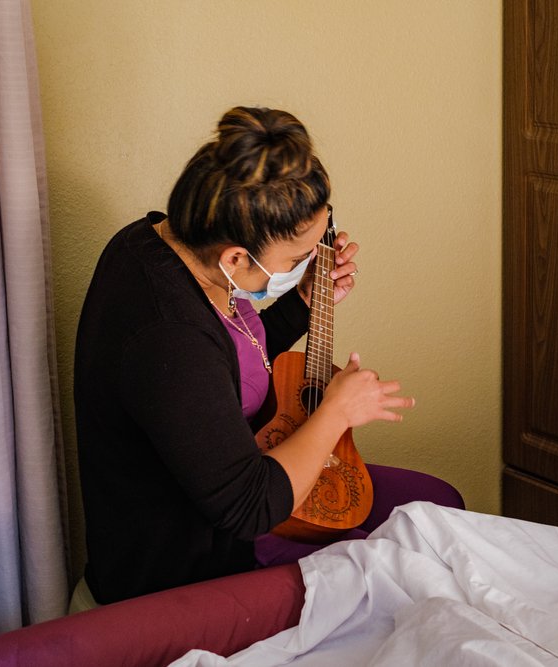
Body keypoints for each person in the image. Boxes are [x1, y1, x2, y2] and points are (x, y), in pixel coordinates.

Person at [72, 106, 457, 609]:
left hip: (239, 492)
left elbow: (228, 362)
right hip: (190, 566)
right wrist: (337, 410)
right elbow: (250, 507)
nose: (306, 264)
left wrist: (301, 302)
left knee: (440, 506)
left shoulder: (159, 242)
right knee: (415, 564)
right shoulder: (167, 334)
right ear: (235, 257)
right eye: (297, 261)